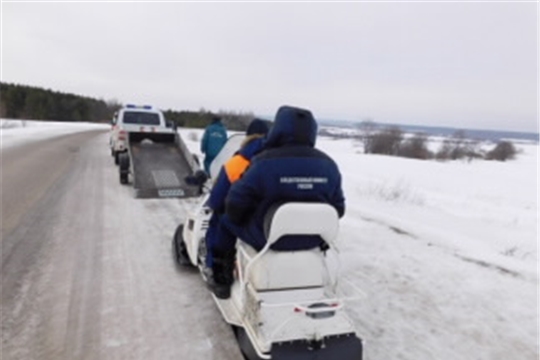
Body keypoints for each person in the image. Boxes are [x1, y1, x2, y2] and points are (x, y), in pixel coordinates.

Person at [209, 105, 345, 299]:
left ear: (278, 130)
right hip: (313, 239)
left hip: (267, 238)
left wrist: (241, 217)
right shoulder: (329, 166)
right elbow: (339, 209)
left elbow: (235, 205)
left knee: (224, 221)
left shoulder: (263, 163)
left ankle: (221, 277)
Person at [205, 119, 269, 280]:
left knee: (217, 220)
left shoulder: (236, 163)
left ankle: (213, 266)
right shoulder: (276, 161)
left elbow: (217, 201)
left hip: (246, 222)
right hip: (269, 220)